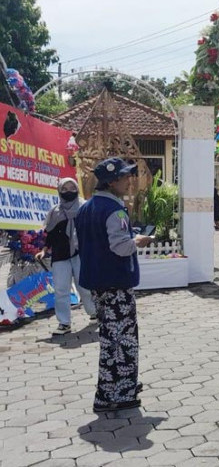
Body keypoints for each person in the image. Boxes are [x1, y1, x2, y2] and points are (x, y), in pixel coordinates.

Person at [75, 157, 154, 413]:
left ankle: (119, 386)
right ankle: (115, 394)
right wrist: (139, 241)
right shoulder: (115, 211)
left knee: (111, 338)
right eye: (124, 177)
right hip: (116, 283)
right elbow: (120, 247)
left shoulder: (86, 208)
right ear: (111, 182)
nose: (129, 180)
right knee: (122, 340)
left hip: (97, 282)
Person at [35, 177, 96, 335]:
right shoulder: (55, 212)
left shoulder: (85, 208)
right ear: (59, 191)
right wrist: (44, 250)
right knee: (61, 290)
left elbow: (93, 231)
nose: (69, 192)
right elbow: (50, 234)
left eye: (72, 188)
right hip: (60, 255)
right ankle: (64, 323)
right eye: (65, 189)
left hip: (81, 254)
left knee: (85, 287)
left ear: (77, 189)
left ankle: (94, 313)